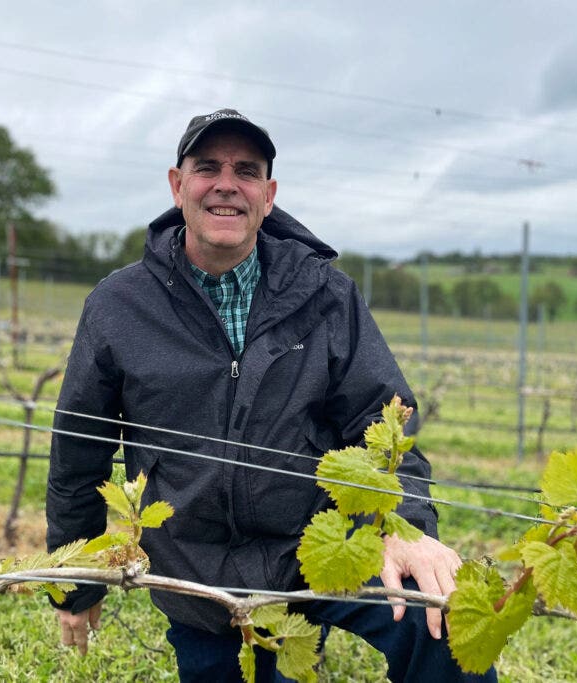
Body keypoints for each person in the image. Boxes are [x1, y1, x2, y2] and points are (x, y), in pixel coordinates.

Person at [46, 108, 495, 682]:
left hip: (319, 554)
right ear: (177, 185)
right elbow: (78, 454)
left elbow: (384, 421)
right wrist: (75, 583)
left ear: (269, 194)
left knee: (445, 625)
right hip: (198, 578)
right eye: (207, 167)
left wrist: (409, 529)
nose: (227, 184)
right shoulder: (118, 307)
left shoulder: (326, 295)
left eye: (247, 170)